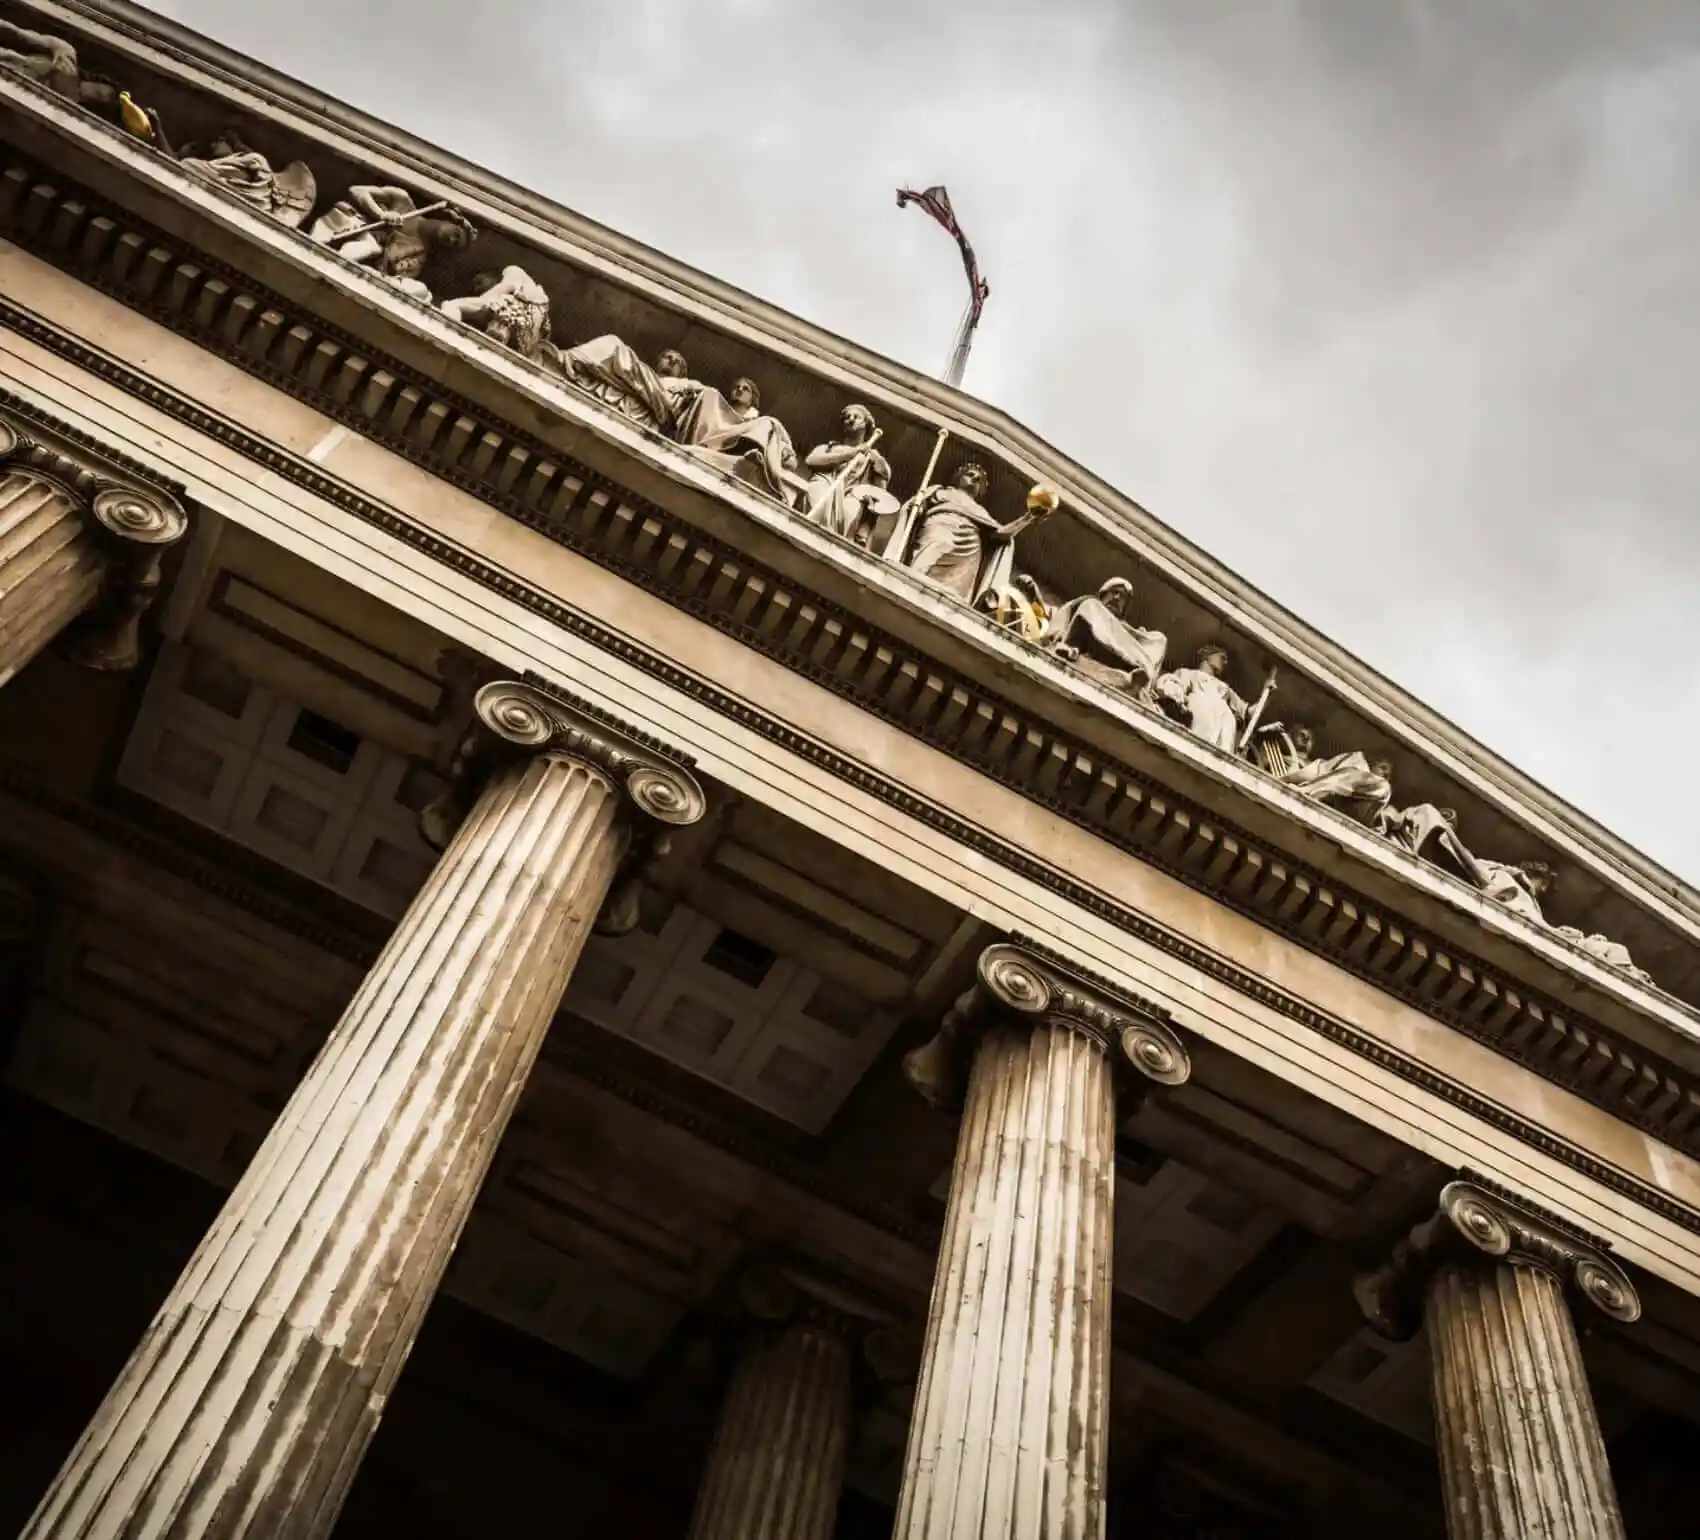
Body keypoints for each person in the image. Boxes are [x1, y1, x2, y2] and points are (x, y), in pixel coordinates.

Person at [892, 463, 1051, 606]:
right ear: (958, 477)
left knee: (954, 588)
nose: (975, 480)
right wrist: (917, 507)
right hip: (941, 527)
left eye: (979, 480)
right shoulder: (940, 491)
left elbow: (1000, 534)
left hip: (970, 545)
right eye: (970, 475)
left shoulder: (980, 511)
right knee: (926, 561)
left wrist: (1029, 517)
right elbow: (918, 504)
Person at [309, 185, 476, 301]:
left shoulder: (419, 256)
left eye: (454, 245)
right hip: (350, 231)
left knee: (373, 249)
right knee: (370, 245)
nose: (451, 240)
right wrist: (381, 214)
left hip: (363, 266)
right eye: (456, 234)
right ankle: (334, 262)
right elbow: (357, 191)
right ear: (451, 220)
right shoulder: (402, 201)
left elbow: (394, 277)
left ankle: (339, 266)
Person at [671, 376, 799, 505]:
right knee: (710, 392)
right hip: (712, 441)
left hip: (738, 453)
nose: (740, 389)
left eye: (746, 389)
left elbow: (789, 456)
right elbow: (696, 390)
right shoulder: (717, 407)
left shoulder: (757, 423)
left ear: (752, 400)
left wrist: (784, 452)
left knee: (770, 422)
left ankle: (752, 455)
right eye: (737, 387)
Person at [1040, 577, 1167, 697]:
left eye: (1123, 597)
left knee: (1160, 638)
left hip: (1129, 654)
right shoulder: (1091, 605)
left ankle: (1136, 676)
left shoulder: (1128, 630)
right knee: (1089, 605)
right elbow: (1053, 617)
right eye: (1114, 592)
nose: (1117, 598)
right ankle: (1071, 649)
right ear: (1103, 594)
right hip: (1088, 642)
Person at [179, 130, 317, 227]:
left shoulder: (255, 159)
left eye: (219, 140)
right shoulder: (228, 162)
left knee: (189, 164)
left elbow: (262, 186)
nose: (213, 145)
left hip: (250, 202)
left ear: (231, 144)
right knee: (188, 164)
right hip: (230, 194)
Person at [800, 404, 893, 543]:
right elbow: (811, 460)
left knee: (852, 508)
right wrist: (853, 452)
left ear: (866, 425)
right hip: (825, 483)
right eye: (847, 417)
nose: (850, 419)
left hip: (851, 495)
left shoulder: (872, 457)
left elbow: (879, 495)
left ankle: (836, 543)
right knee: (817, 489)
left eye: (856, 417)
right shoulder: (830, 447)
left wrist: (865, 530)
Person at [1263, 724, 1392, 824]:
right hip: (1326, 794)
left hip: (1336, 797)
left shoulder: (1377, 788)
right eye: (1383, 767)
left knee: (1383, 787)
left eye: (1312, 737)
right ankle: (1311, 791)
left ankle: (1311, 790)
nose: (1386, 774)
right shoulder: (1353, 763)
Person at [1154, 644, 1250, 753]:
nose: (1225, 662)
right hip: (1201, 711)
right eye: (1222, 657)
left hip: (1224, 719)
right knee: (1196, 747)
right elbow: (1175, 686)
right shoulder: (1189, 673)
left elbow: (1247, 712)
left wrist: (1267, 690)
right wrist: (1177, 702)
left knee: (1222, 753)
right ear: (1207, 656)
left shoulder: (1225, 687)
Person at [441, 266, 553, 359]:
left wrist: (483, 300)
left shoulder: (512, 273)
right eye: (475, 289)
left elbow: (508, 285)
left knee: (450, 304)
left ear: (494, 276)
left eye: (478, 281)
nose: (477, 288)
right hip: (524, 345)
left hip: (528, 340)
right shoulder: (491, 310)